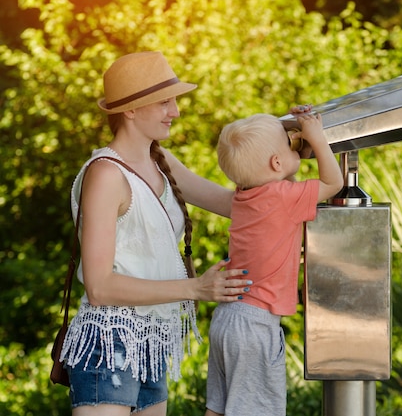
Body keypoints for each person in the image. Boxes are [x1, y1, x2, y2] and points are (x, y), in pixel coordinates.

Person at [59, 51, 258, 416]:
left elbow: (237, 205)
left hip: (151, 344)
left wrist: (287, 149)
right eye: (165, 101)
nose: (176, 111)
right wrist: (196, 289)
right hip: (109, 342)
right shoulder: (105, 175)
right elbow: (100, 288)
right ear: (131, 110)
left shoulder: (161, 162)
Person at [205, 112, 344, 416]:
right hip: (256, 326)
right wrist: (317, 138)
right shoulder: (284, 197)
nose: (295, 146)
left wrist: (292, 142)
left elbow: (284, 178)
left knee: (218, 409)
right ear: (276, 164)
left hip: (227, 320)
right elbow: (334, 182)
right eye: (288, 143)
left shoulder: (244, 196)